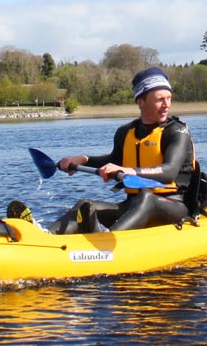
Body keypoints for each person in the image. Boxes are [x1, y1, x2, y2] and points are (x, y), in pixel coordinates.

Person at [49, 66, 196, 233]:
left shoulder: (177, 132)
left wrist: (128, 171)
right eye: (159, 99)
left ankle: (105, 242)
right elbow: (115, 162)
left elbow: (169, 172)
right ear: (140, 101)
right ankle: (45, 238)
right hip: (134, 205)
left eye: (169, 98)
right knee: (85, 205)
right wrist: (84, 160)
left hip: (175, 205)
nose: (166, 105)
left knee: (147, 198)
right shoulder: (125, 132)